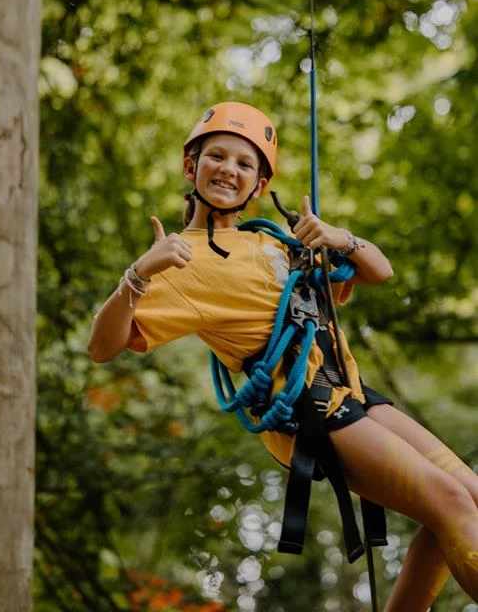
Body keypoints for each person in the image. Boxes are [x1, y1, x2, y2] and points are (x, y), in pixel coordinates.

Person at [88, 101, 478, 611]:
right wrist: (138, 275)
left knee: (466, 498)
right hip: (308, 410)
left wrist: (338, 238)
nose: (229, 170)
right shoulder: (180, 260)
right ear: (191, 166)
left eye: (244, 164)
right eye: (216, 156)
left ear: (259, 183)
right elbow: (102, 347)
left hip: (350, 391)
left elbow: (378, 272)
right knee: (450, 501)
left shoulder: (275, 242)